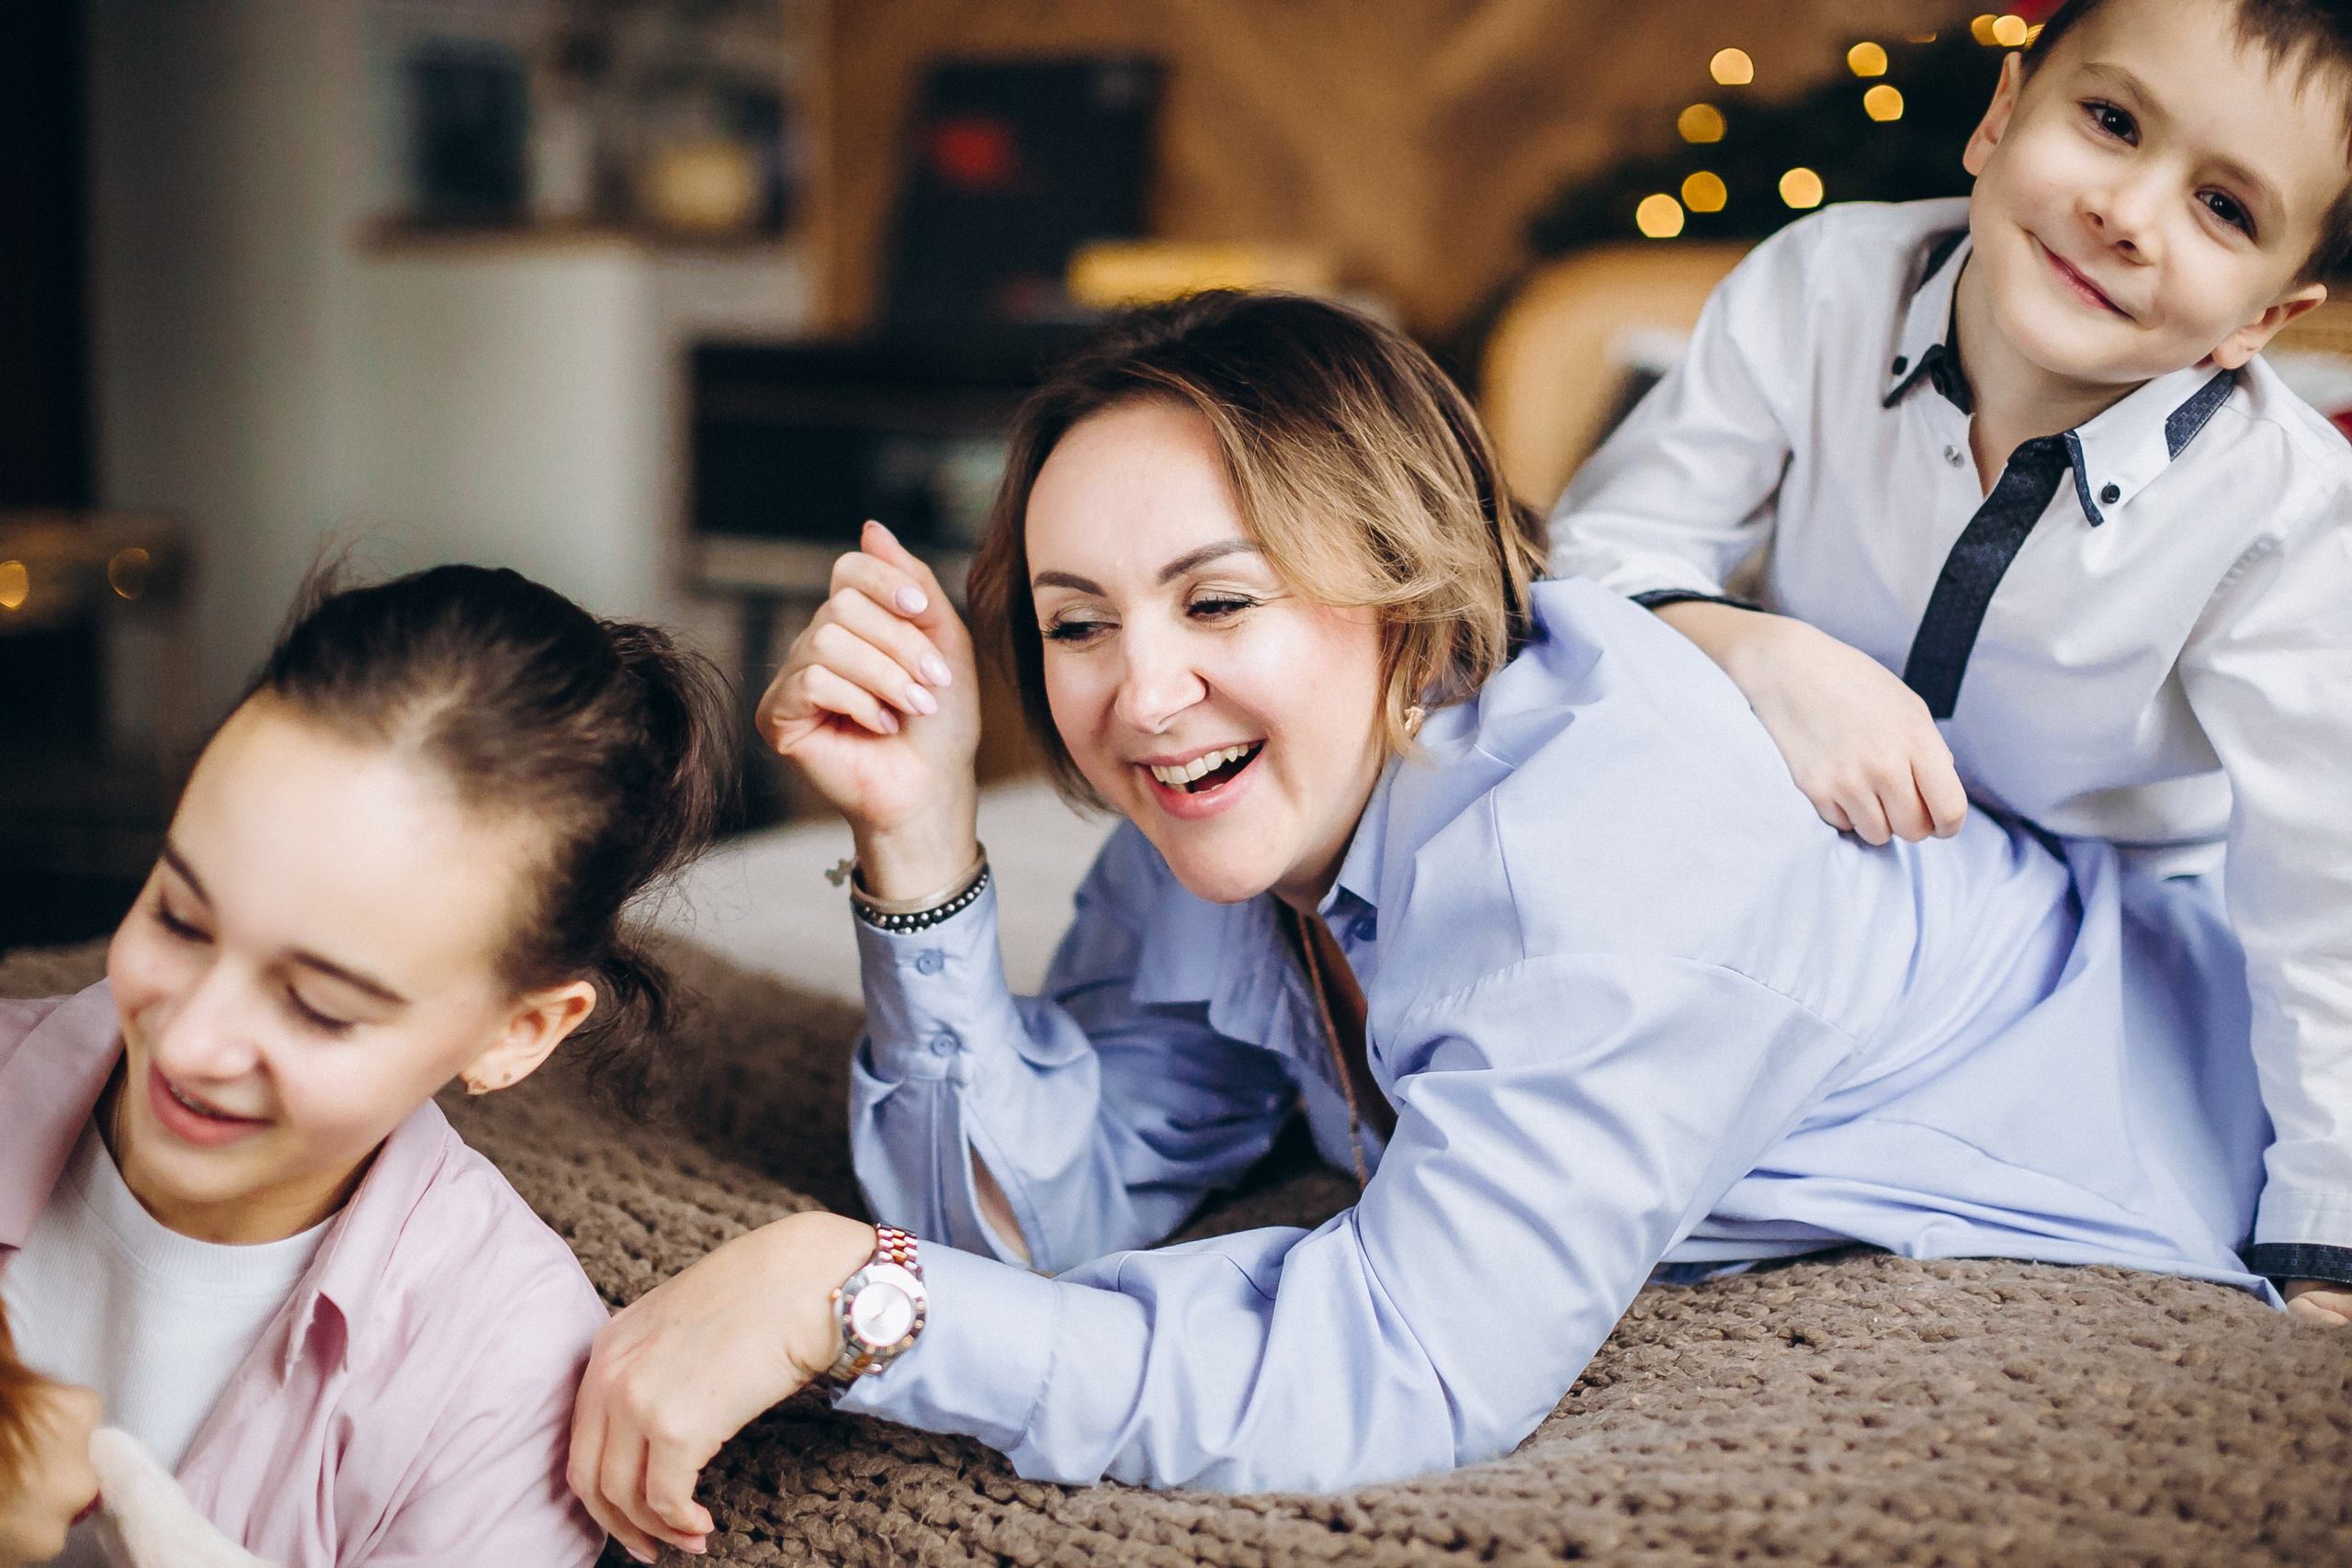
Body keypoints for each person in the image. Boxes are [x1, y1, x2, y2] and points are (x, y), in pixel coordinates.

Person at [568, 292, 2272, 1555]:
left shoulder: (1604, 863)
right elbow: (1033, 1220)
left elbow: (1404, 1363)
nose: (1144, 697)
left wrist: (853, 1300)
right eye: (1075, 624)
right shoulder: (1218, 820)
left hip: (2229, 1128)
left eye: (1221, 598)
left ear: (1407, 579)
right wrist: (923, 837)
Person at [1549, 0, 2352, 1316]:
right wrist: (1761, 648)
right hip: (1819, 838)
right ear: (2003, 110)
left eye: (2224, 209)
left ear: (2265, 316)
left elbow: (2325, 896)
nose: (2127, 212)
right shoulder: (1820, 285)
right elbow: (1599, 550)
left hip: (2107, 934)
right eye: (2109, 122)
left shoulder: (2288, 512)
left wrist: (2331, 1240)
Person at [0, 565, 734, 1566]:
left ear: (516, 1035)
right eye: (177, 916)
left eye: (321, 1006)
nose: (189, 1042)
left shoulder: (499, 1374)